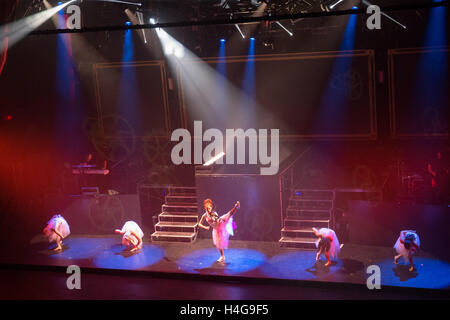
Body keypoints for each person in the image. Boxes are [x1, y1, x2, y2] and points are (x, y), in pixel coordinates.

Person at [198, 198, 240, 263]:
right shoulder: (205, 215)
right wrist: (205, 227)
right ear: (205, 208)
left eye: (210, 208)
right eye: (207, 208)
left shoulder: (214, 213)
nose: (209, 209)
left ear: (211, 208)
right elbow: (199, 224)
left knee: (228, 215)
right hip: (216, 229)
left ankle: (236, 206)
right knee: (218, 244)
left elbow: (217, 219)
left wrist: (218, 220)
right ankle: (222, 256)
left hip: (220, 224)